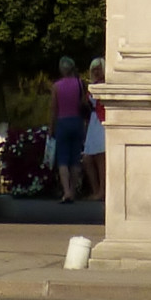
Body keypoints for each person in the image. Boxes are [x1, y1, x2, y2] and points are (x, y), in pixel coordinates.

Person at [49, 58, 88, 204]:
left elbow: (54, 109)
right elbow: (84, 103)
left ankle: (66, 192)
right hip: (77, 122)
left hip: (62, 122)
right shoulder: (80, 84)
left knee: (63, 159)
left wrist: (51, 127)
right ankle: (73, 190)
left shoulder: (56, 86)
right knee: (75, 158)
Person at [82, 57, 106, 201]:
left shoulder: (105, 85)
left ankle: (102, 190)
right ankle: (96, 189)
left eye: (99, 68)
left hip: (101, 121)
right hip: (93, 121)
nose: (96, 71)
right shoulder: (93, 85)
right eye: (94, 69)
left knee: (100, 158)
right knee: (87, 158)